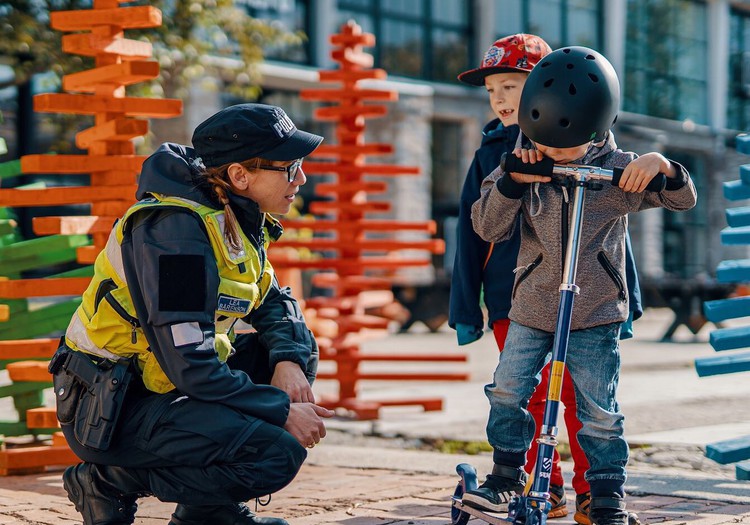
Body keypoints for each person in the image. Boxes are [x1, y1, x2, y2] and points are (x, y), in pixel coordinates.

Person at [50, 103, 334, 525]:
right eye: (290, 167)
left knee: (288, 350)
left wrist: (288, 363)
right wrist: (279, 411)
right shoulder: (174, 235)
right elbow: (191, 365)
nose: (302, 178)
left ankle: (207, 516)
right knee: (273, 454)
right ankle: (108, 479)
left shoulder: (232, 217)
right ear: (240, 175)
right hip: (112, 407)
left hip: (161, 386)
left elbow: (276, 303)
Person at [465, 46, 697, 525]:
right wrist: (512, 183)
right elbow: (485, 226)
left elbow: (683, 200)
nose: (556, 157)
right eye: (547, 144)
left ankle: (606, 490)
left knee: (598, 407)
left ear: (595, 128)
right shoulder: (522, 162)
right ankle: (508, 476)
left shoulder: (620, 173)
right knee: (508, 391)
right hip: (531, 307)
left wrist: (663, 166)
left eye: (566, 149)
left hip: (595, 313)